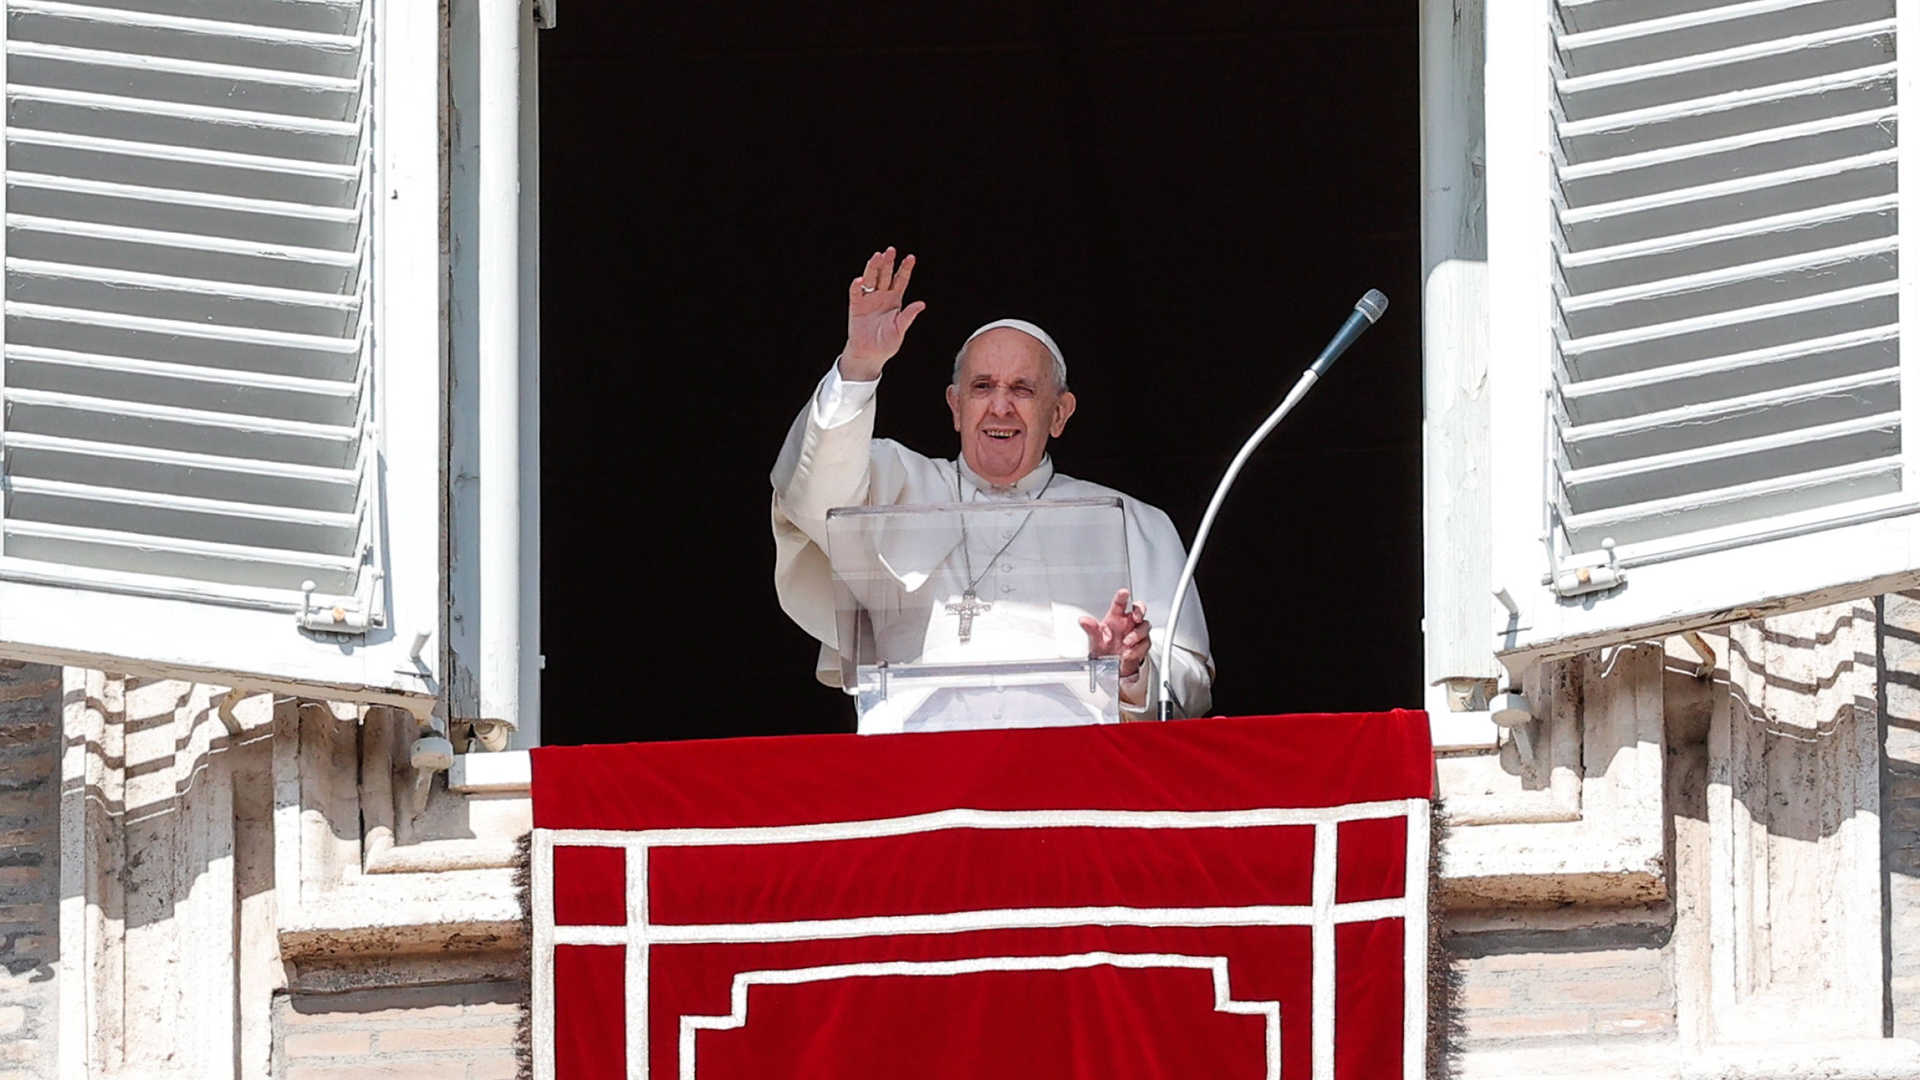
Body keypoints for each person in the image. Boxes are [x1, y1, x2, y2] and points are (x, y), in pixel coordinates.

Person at [772, 247, 1213, 728]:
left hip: (1075, 776)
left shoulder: (1135, 523)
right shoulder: (892, 485)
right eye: (982, 387)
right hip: (916, 773)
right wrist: (860, 365)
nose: (1000, 407)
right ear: (955, 406)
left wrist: (1132, 670)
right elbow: (810, 491)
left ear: (1060, 413)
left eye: (1023, 389)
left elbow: (1189, 680)